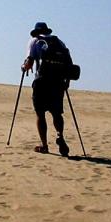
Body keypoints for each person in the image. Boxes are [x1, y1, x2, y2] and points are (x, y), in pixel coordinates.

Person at [21, 22, 71, 156]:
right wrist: (66, 82)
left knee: (40, 113)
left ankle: (44, 145)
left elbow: (29, 62)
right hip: (58, 83)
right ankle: (60, 135)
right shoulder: (59, 42)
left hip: (41, 82)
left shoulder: (35, 42)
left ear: (36, 32)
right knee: (56, 113)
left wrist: (23, 67)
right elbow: (69, 64)